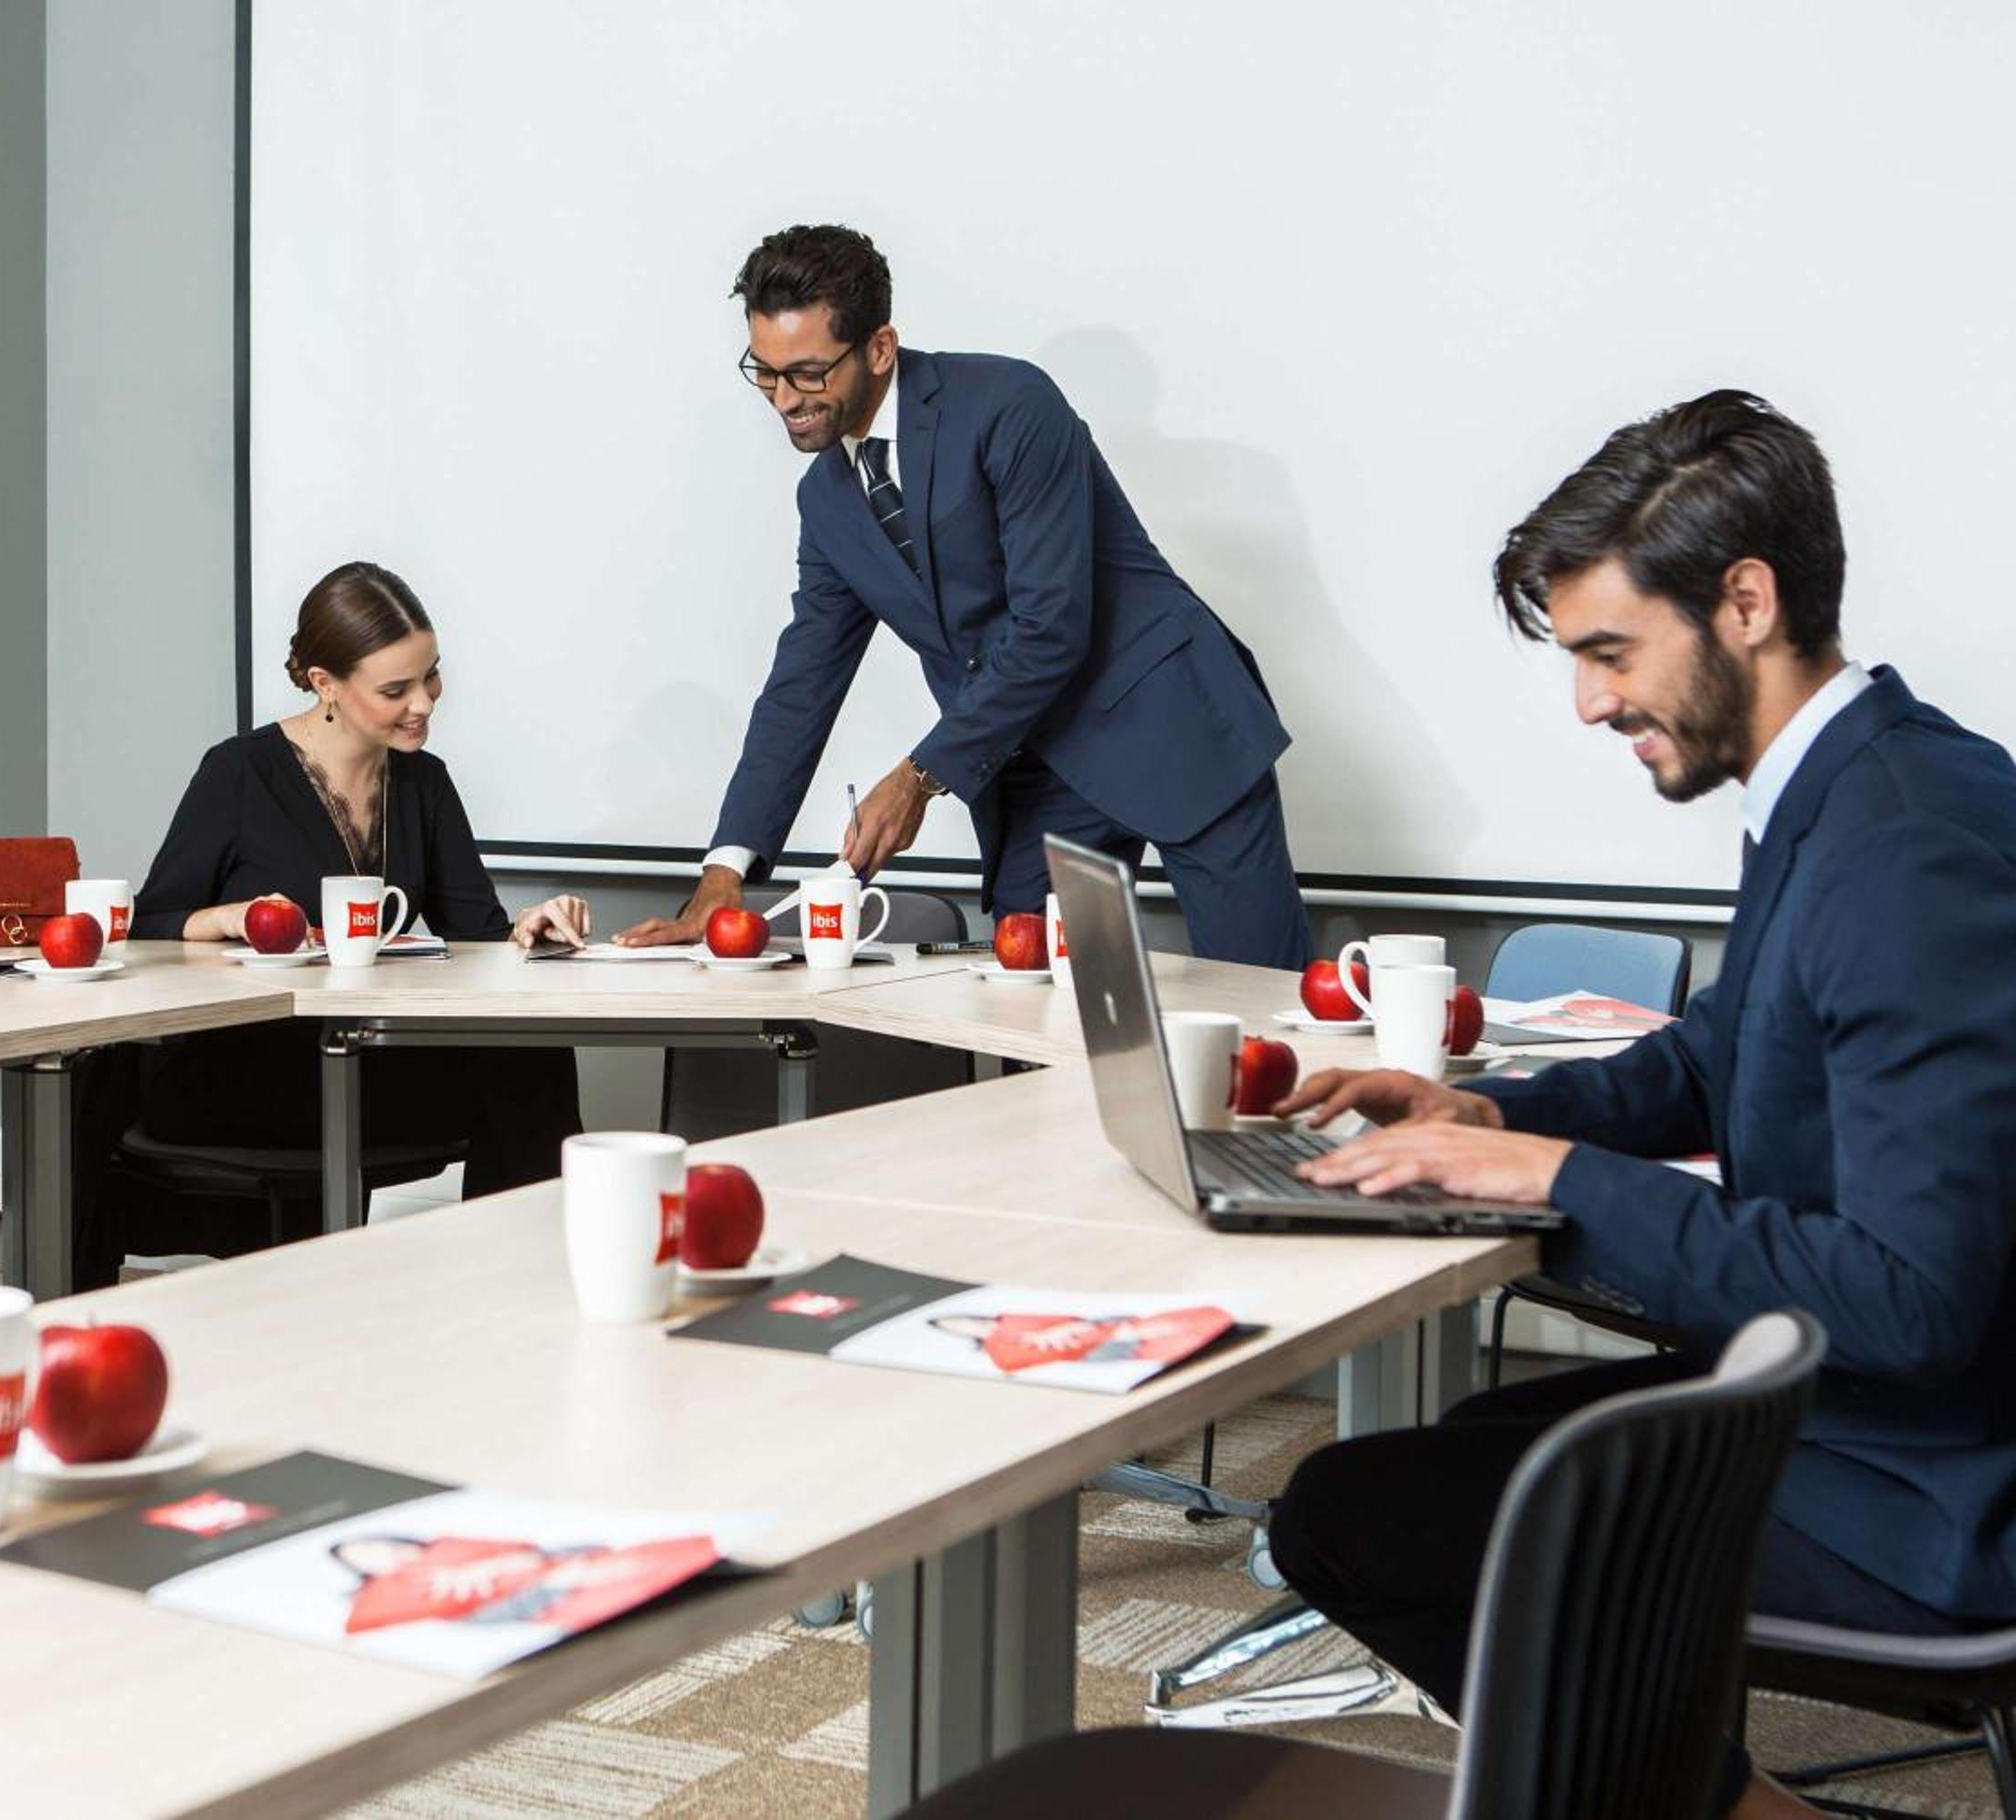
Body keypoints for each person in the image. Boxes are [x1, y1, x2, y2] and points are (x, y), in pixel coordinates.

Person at [1267, 390, 2016, 1819]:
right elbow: (1724, 1050)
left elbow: (1912, 1298)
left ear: (1747, 602)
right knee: (1454, 1455)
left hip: (1933, 1488)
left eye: (1609, 652)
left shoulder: (1905, 847)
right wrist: (1493, 1123)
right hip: (1868, 1415)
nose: (1590, 702)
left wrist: (1561, 1178)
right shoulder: (1851, 787)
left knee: (1353, 1518)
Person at [617, 224, 1309, 968]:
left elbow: (1051, 626)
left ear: (879, 348)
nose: (784, 399)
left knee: (1260, 998)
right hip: (1033, 770)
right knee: (1030, 1011)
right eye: (766, 372)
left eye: (809, 373)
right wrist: (724, 874)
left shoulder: (1010, 405)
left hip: (1170, 726)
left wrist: (918, 779)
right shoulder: (826, 501)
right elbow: (801, 684)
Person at [101, 561, 589, 1259]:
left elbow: (476, 935)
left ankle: (518, 1270)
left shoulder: (424, 783)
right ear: (325, 684)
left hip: (359, 1059)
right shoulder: (239, 772)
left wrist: (530, 927)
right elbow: (149, 922)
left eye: (431, 677)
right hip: (244, 1068)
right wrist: (228, 919)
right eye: (395, 690)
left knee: (530, 1054)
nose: (423, 704)